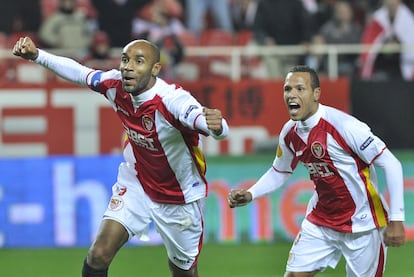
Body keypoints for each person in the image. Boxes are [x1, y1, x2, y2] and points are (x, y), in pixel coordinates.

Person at [12, 36, 229, 277]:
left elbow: (205, 122)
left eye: (139, 61)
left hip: (179, 197)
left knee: (183, 272)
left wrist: (218, 127)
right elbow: (80, 73)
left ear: (155, 69)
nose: (128, 67)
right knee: (99, 254)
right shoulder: (114, 84)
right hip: (137, 182)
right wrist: (37, 55)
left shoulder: (172, 100)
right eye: (125, 60)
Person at [228, 65, 406, 276]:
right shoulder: (290, 132)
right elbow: (280, 171)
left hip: (364, 224)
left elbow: (392, 164)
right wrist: (251, 193)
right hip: (321, 221)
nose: (292, 95)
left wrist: (396, 219)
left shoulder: (345, 126)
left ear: (316, 94)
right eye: (287, 89)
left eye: (300, 89)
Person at [359, 0, 414, 80]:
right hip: (382, 64)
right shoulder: (377, 19)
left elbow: (411, 43)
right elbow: (369, 44)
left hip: (400, 65)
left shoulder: (409, 20)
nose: (391, 2)